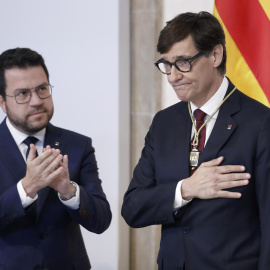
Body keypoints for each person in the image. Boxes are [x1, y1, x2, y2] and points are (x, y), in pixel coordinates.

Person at [122, 11, 270, 270]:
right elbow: (133, 207)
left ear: (215, 55)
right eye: (166, 64)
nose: (172, 76)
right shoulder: (163, 123)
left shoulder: (260, 123)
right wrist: (185, 189)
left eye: (183, 62)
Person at [0, 48, 112, 270]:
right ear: (2, 102)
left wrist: (69, 191)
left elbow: (100, 221)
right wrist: (27, 188)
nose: (36, 101)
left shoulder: (79, 145)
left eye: (42, 89)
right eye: (22, 93)